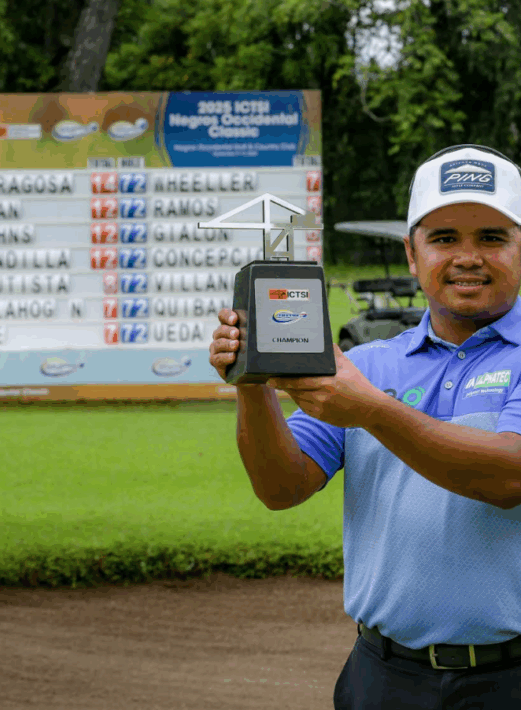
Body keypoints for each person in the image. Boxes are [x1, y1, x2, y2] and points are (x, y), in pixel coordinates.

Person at [209, 144, 521, 709]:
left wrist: (372, 411)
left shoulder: (361, 388)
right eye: (444, 238)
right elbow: (282, 487)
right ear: (412, 254)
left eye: (492, 237)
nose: (467, 257)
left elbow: (508, 477)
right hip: (382, 677)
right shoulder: (368, 366)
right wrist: (252, 381)